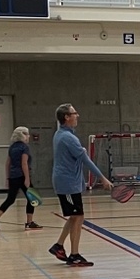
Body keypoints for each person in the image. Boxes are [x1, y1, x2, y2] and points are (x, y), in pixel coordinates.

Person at [50, 104, 112, 267]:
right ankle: (74, 255)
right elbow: (86, 161)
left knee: (75, 216)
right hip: (67, 183)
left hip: (68, 181)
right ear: (66, 117)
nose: (77, 115)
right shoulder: (68, 138)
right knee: (78, 216)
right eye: (74, 113)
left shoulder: (61, 134)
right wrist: (102, 178)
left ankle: (58, 246)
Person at [0, 127, 41, 232]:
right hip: (22, 176)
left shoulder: (12, 147)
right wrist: (27, 178)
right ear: (23, 135)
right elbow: (24, 163)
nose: (29, 136)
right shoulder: (24, 147)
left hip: (13, 176)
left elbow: (8, 163)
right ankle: (29, 222)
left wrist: (8, 178)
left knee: (10, 199)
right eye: (27, 134)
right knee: (33, 198)